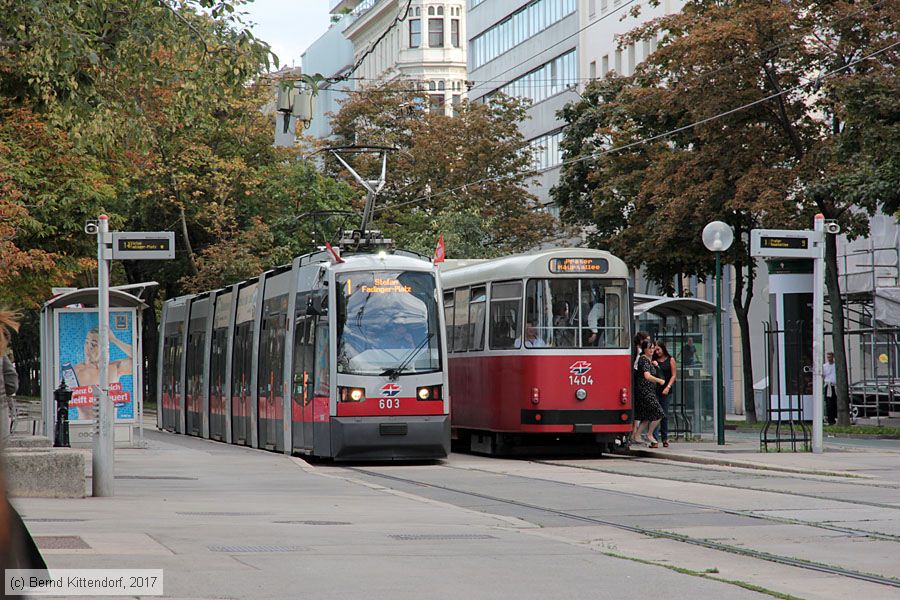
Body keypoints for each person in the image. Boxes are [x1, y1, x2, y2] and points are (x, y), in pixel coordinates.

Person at [632, 338, 666, 448]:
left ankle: (637, 435)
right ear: (644, 349)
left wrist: (655, 365)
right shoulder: (644, 360)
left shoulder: (648, 361)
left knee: (646, 416)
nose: (651, 350)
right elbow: (647, 376)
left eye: (653, 348)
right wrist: (659, 380)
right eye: (649, 348)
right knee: (659, 412)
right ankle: (649, 434)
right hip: (645, 391)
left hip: (649, 390)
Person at [653, 342, 676, 447]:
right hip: (655, 389)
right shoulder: (654, 360)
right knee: (656, 413)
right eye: (655, 350)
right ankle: (654, 439)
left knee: (664, 414)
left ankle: (665, 438)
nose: (657, 352)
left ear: (663, 349)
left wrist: (668, 387)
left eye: (659, 350)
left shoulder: (670, 359)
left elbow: (673, 375)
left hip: (666, 390)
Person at [823, 351, 837, 425]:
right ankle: (830, 419)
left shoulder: (836, 365)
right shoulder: (825, 366)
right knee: (828, 403)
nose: (829, 358)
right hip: (828, 385)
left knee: (834, 403)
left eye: (830, 357)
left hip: (834, 385)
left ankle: (833, 418)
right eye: (828, 357)